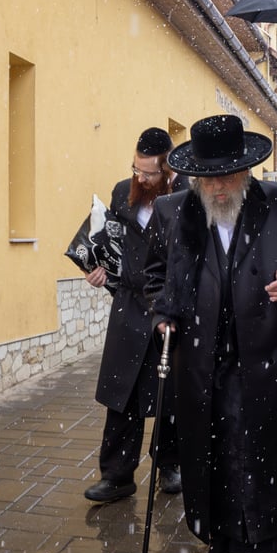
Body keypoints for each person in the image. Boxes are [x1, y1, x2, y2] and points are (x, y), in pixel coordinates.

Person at [144, 114, 277, 553]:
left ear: (246, 170)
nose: (219, 188)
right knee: (213, 451)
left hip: (267, 353)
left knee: (262, 449)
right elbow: (155, 275)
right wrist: (163, 313)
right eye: (209, 178)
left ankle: (266, 549)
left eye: (227, 176)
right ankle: (219, 540)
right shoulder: (173, 212)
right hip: (201, 362)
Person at [83, 127, 187, 502]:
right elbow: (105, 241)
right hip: (128, 305)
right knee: (120, 393)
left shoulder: (186, 196)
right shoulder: (120, 192)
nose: (140, 178)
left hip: (168, 307)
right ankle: (117, 475)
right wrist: (97, 269)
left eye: (149, 173)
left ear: (168, 170)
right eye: (136, 169)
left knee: (168, 392)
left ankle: (169, 465)